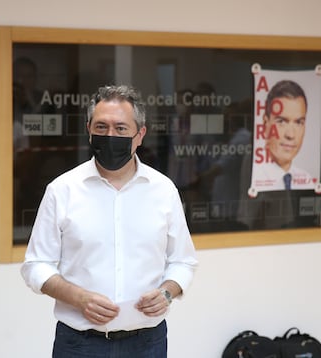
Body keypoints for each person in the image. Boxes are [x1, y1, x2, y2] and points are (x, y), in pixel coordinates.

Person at [21, 84, 198, 358]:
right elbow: (35, 266)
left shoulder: (164, 190)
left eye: (121, 128)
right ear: (89, 130)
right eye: (101, 127)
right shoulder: (62, 190)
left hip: (147, 344)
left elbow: (183, 261)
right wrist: (79, 299)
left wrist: (167, 293)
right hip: (79, 344)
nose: (110, 135)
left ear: (140, 135)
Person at [251, 80, 315, 191]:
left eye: (299, 122)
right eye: (281, 121)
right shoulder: (252, 177)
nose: (290, 135)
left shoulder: (308, 182)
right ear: (265, 124)